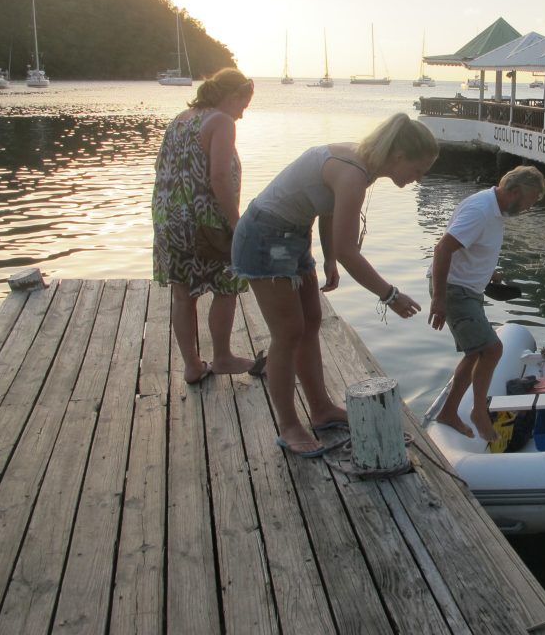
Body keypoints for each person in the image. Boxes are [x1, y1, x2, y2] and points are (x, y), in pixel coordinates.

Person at [232, 113, 439, 457]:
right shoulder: (354, 173)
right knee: (287, 333)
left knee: (311, 322)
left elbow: (328, 210)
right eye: (419, 170)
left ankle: (321, 409)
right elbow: (350, 251)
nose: (418, 179)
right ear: (400, 156)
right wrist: (390, 295)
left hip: (292, 235)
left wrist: (327, 257)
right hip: (264, 236)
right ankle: (288, 426)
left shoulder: (362, 164)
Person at [152, 68, 261, 385]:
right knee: (227, 285)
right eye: (243, 105)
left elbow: (166, 168)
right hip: (204, 220)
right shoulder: (221, 121)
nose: (242, 114)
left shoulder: (181, 119)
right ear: (232, 96)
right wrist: (235, 221)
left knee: (183, 294)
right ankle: (223, 356)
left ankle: (192, 366)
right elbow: (219, 177)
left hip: (169, 219)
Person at [427, 166, 545, 442]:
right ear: (515, 192)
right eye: (530, 201)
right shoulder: (481, 210)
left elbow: (471, 245)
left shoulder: (495, 209)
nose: (529, 208)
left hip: (469, 287)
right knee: (492, 350)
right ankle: (479, 413)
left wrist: (487, 270)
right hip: (455, 289)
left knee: (474, 354)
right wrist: (439, 299)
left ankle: (448, 412)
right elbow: (442, 249)